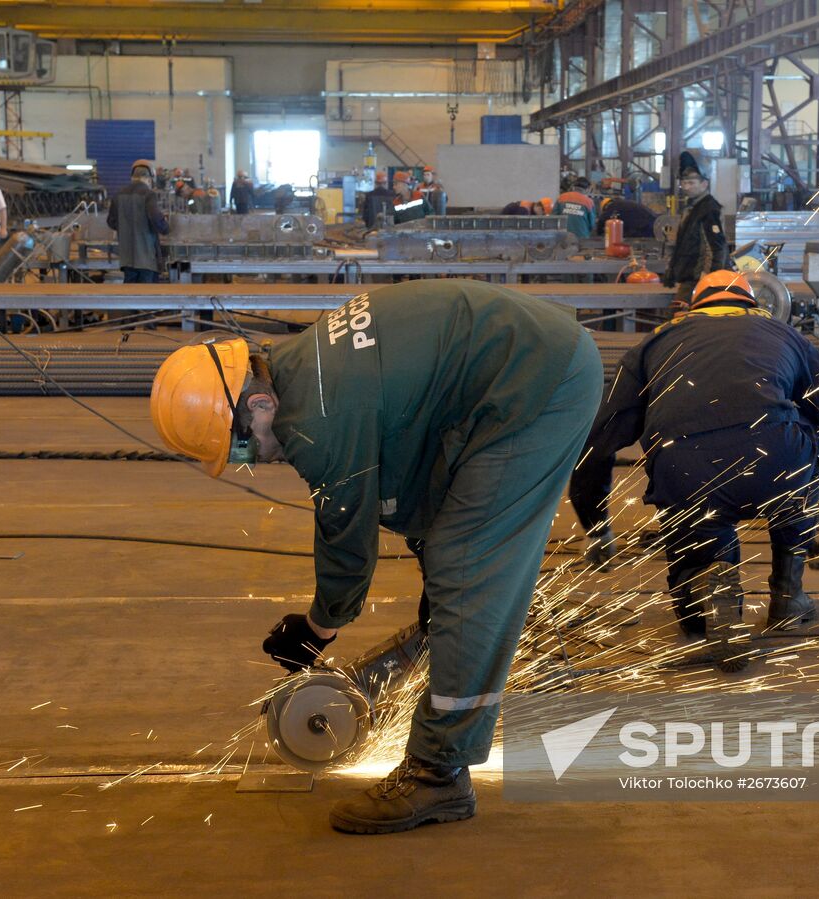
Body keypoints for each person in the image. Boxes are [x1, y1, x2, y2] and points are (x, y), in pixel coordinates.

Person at [150, 279, 602, 833]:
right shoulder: (301, 366)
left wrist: (317, 628)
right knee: (444, 544)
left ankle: (439, 773)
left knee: (465, 566)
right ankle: (467, 643)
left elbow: (348, 538)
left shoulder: (316, 418)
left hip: (538, 383)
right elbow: (401, 478)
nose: (254, 460)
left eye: (242, 446)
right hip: (514, 367)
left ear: (259, 403)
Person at [569, 270, 819, 671]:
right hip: (777, 465)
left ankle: (708, 591)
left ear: (693, 307)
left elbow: (594, 442)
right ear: (753, 303)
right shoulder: (785, 336)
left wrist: (596, 528)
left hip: (687, 472)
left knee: (694, 602)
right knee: (812, 444)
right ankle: (788, 596)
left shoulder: (653, 343)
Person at [662, 168, 728, 306]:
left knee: (679, 313)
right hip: (689, 275)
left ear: (704, 184)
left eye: (691, 183)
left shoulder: (709, 209)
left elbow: (715, 247)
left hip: (699, 278)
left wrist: (708, 276)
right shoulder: (692, 208)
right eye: (684, 183)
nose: (686, 187)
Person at [106, 159, 169, 283]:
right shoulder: (148, 194)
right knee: (146, 293)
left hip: (126, 257)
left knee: (130, 292)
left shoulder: (118, 195)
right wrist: (166, 228)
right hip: (146, 257)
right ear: (149, 178)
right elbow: (156, 218)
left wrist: (124, 227)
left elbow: (111, 222)